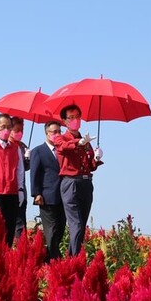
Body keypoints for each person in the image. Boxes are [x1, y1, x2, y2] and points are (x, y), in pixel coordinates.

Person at [51, 105, 104, 256]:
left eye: (78, 117)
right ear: (64, 121)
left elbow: (90, 166)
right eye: (71, 117)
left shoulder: (85, 140)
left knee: (81, 225)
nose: (75, 120)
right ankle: (74, 261)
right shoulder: (61, 138)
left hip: (86, 183)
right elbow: (62, 147)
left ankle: (72, 258)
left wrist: (96, 158)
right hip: (71, 183)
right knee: (77, 225)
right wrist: (77, 143)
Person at [0, 114, 25, 247]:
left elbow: (19, 170)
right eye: (3, 127)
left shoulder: (15, 147)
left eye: (9, 127)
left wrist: (20, 189)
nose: (6, 130)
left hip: (12, 192)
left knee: (10, 227)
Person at [30, 120, 66, 261]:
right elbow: (34, 174)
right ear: (46, 133)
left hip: (63, 196)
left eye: (59, 131)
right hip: (46, 196)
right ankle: (54, 260)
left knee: (61, 228)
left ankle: (47, 257)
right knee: (51, 230)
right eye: (53, 132)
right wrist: (36, 193)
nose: (57, 134)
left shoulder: (62, 151)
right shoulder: (38, 151)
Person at [10, 116, 31, 239]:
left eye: (22, 130)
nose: (20, 133)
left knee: (20, 222)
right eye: (17, 130)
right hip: (7, 189)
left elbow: (26, 168)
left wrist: (27, 158)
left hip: (21, 189)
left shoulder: (23, 146)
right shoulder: (6, 144)